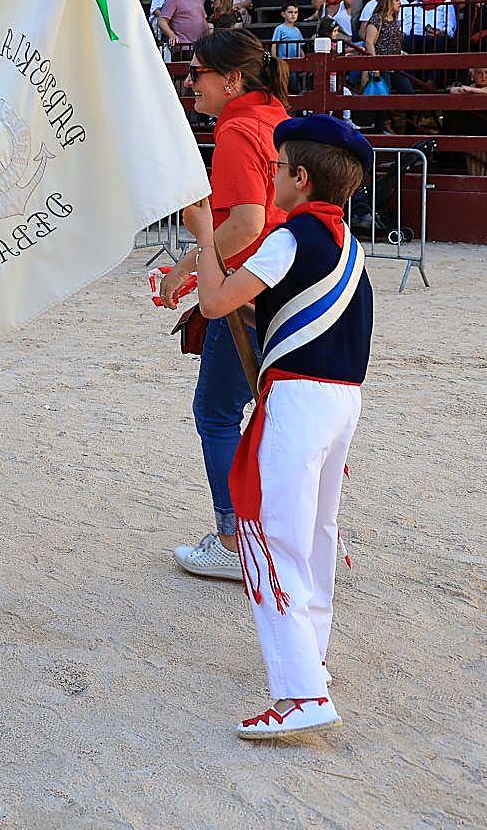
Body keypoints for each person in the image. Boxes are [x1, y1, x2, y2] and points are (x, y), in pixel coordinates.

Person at [181, 114, 374, 740]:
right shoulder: (348, 241)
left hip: (296, 400)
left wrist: (205, 235)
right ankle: (311, 656)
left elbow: (215, 302)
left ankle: (300, 693)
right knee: (315, 535)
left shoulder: (289, 238)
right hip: (342, 399)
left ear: (300, 176)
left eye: (278, 168)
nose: (271, 177)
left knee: (274, 540)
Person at [159, 29, 292, 581]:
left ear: (231, 79)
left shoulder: (238, 128)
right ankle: (272, 530)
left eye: (198, 73)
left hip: (248, 287)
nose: (192, 83)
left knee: (215, 413)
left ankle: (234, 538)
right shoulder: (276, 116)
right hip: (289, 281)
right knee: (268, 414)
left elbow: (245, 222)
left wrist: (191, 265)